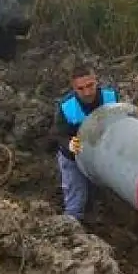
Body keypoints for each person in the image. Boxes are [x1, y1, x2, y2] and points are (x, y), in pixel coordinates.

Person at [51, 65, 119, 222]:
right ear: (74, 89)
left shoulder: (111, 97)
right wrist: (69, 144)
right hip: (74, 158)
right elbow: (56, 134)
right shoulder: (67, 107)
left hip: (101, 155)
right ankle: (72, 229)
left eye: (90, 85)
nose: (87, 92)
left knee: (103, 194)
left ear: (96, 81)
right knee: (76, 198)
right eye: (81, 89)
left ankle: (99, 219)